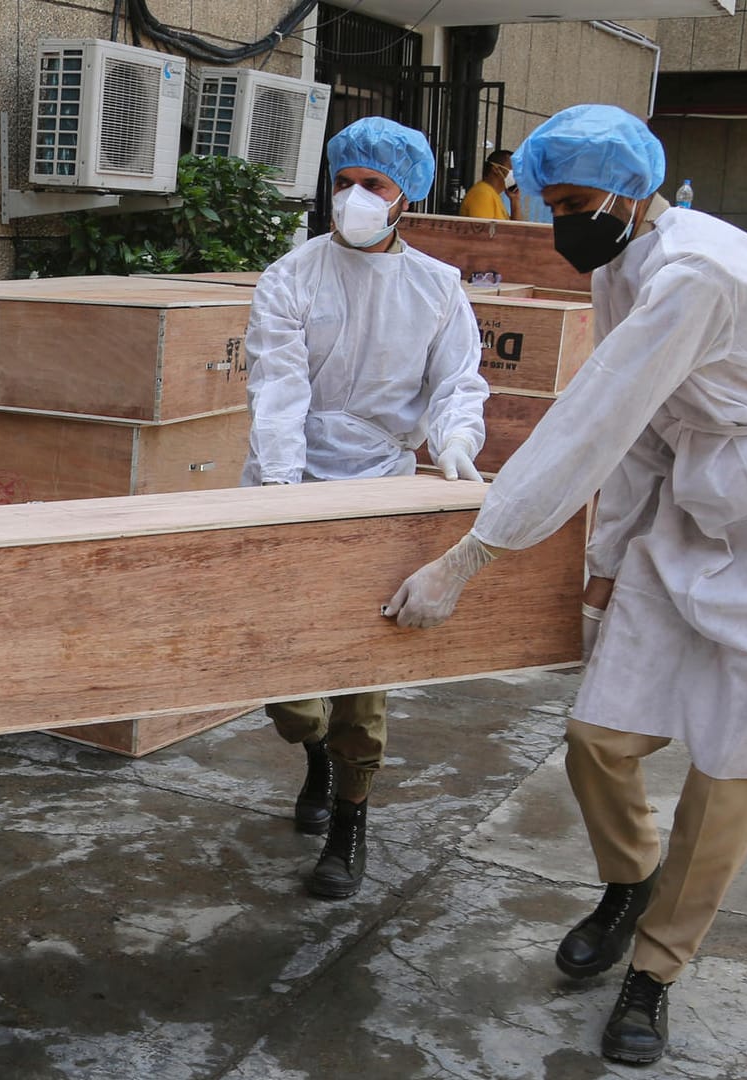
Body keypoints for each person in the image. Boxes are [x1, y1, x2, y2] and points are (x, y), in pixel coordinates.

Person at [384, 104, 747, 1066]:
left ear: (629, 187)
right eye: (550, 202)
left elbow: (593, 419)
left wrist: (474, 553)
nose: (564, 223)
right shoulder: (623, 259)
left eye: (572, 202)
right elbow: (646, 432)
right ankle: (630, 877)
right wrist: (606, 560)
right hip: (693, 508)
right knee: (598, 737)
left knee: (733, 776)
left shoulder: (699, 272)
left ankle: (655, 971)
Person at [246, 115, 488, 900]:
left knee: (363, 677)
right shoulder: (292, 277)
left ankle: (350, 818)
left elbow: (457, 383)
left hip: (383, 485)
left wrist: (454, 440)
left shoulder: (438, 288)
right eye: (343, 181)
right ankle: (312, 750)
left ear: (404, 198)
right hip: (292, 485)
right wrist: (283, 491)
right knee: (286, 679)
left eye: (372, 185)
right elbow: (278, 389)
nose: (353, 197)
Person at [459, 148, 520, 221]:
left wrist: (515, 200)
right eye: (513, 168)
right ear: (496, 169)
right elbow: (483, 230)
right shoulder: (482, 194)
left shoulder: (491, 194)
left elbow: (517, 229)